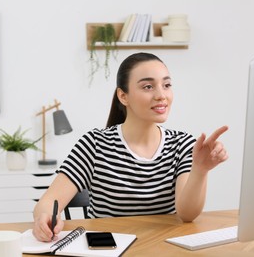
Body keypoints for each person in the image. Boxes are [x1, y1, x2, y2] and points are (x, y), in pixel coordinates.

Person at [32, 52, 228, 242]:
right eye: (148, 86)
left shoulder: (183, 145)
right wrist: (45, 218)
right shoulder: (95, 144)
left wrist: (200, 170)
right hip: (107, 251)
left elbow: (186, 214)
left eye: (166, 85)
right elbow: (48, 202)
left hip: (163, 250)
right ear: (123, 96)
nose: (161, 95)